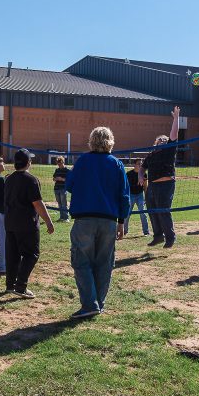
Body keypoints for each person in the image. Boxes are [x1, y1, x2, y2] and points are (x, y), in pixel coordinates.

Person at [66, 127, 130, 318]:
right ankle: (98, 303)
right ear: (110, 141)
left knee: (81, 262)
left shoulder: (83, 161)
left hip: (85, 218)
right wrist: (121, 222)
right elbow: (124, 196)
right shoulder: (117, 164)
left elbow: (69, 185)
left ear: (91, 141)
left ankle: (90, 304)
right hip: (109, 220)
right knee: (104, 263)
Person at [4, 149, 54, 298]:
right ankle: (20, 286)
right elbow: (38, 204)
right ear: (28, 162)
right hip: (27, 224)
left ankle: (10, 285)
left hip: (10, 223)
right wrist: (49, 222)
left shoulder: (8, 179)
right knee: (31, 254)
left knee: (13, 255)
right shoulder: (31, 180)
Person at [144, 106, 181, 248]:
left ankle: (170, 238)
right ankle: (158, 236)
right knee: (152, 211)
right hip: (152, 186)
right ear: (156, 143)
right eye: (160, 140)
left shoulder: (169, 150)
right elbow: (142, 167)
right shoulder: (152, 155)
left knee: (163, 211)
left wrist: (176, 118)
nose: (162, 140)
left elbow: (173, 134)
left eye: (164, 140)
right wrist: (141, 175)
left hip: (165, 185)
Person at [124, 159, 150, 236]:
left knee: (143, 213)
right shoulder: (128, 174)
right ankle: (124, 230)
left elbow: (145, 187)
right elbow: (125, 187)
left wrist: (146, 197)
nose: (140, 165)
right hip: (131, 195)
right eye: (139, 164)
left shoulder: (144, 174)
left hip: (140, 195)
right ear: (134, 165)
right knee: (127, 213)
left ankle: (146, 232)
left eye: (141, 164)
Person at [52, 156, 70, 222]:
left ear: (63, 162)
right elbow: (53, 178)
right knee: (59, 204)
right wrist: (56, 179)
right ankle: (61, 217)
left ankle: (66, 218)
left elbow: (69, 180)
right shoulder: (57, 170)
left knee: (64, 204)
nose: (59, 165)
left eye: (60, 163)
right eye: (58, 164)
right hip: (56, 189)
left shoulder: (67, 170)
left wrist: (61, 179)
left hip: (63, 189)